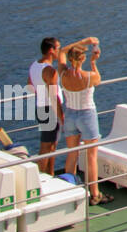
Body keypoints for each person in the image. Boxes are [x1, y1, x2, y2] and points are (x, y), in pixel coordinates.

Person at [29, 37, 94, 176]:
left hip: (40, 107)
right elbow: (54, 97)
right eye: (58, 48)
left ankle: (49, 174)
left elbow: (30, 85)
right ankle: (43, 176)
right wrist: (61, 117)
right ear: (51, 50)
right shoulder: (50, 71)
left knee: (50, 145)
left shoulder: (34, 65)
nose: (60, 51)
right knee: (47, 147)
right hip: (50, 110)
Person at [59, 41, 112, 205]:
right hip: (86, 115)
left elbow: (61, 50)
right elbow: (98, 79)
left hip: (70, 114)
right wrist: (94, 62)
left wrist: (85, 41)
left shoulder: (63, 74)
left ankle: (70, 189)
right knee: (91, 156)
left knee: (72, 153)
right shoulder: (89, 76)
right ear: (82, 59)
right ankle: (95, 193)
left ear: (69, 59)